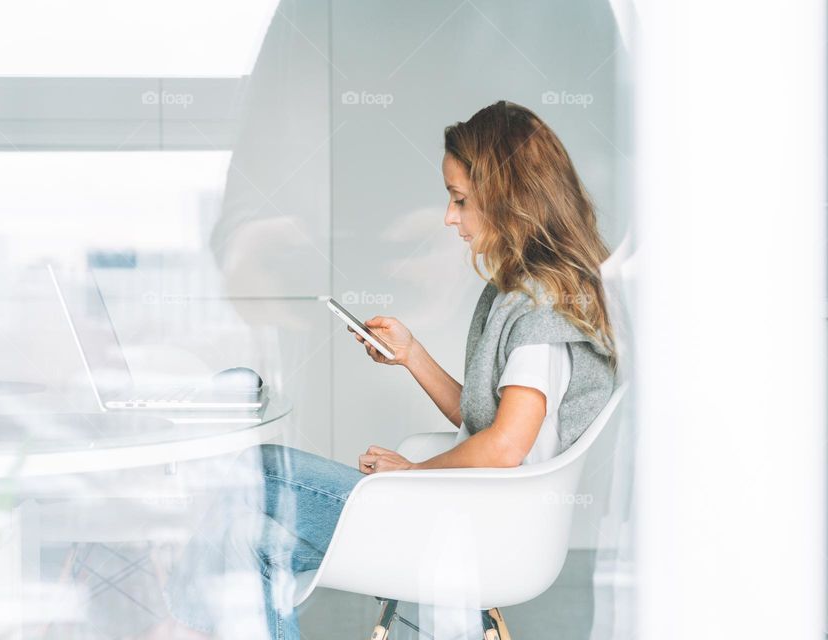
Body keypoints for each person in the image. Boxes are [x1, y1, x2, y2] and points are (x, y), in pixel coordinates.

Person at [165, 100, 617, 640]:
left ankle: (173, 623)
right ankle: (182, 623)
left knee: (257, 468)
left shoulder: (542, 308)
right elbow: (485, 417)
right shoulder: (526, 295)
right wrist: (412, 355)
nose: (450, 217)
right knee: (247, 540)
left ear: (508, 200)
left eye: (459, 200)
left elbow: (504, 447)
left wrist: (410, 475)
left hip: (474, 529)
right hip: (465, 514)